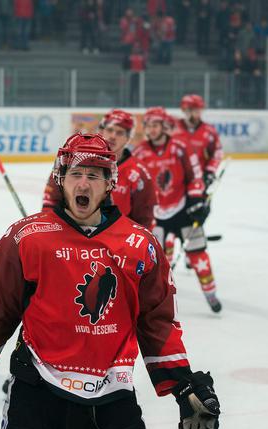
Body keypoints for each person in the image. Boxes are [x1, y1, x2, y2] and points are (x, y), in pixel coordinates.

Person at [0, 133, 221, 429]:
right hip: (37, 394)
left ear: (109, 183)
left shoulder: (140, 244)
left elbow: (156, 322)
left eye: (93, 175)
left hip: (113, 396)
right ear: (62, 180)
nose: (84, 184)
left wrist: (180, 382)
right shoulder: (27, 237)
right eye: (76, 174)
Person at [133, 107, 221, 314]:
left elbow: (195, 176)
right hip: (156, 215)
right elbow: (134, 182)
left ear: (164, 126)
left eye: (155, 125)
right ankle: (159, 299)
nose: (151, 130)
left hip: (183, 211)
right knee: (157, 263)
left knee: (198, 254)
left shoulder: (180, 147)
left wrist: (197, 201)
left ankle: (211, 292)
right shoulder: (140, 152)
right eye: (148, 125)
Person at [43, 109, 157, 229]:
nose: (113, 136)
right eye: (109, 130)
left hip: (117, 242)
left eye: (119, 133)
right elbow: (51, 201)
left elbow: (145, 218)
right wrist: (48, 227)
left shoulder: (139, 173)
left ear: (128, 138)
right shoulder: (73, 158)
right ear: (101, 130)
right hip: (70, 237)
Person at [171, 95, 223, 312]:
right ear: (183, 110)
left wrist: (210, 171)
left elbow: (216, 153)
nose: (193, 113)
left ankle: (191, 251)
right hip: (173, 186)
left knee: (197, 218)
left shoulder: (209, 131)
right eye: (189, 109)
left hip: (197, 186)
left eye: (196, 109)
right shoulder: (174, 128)